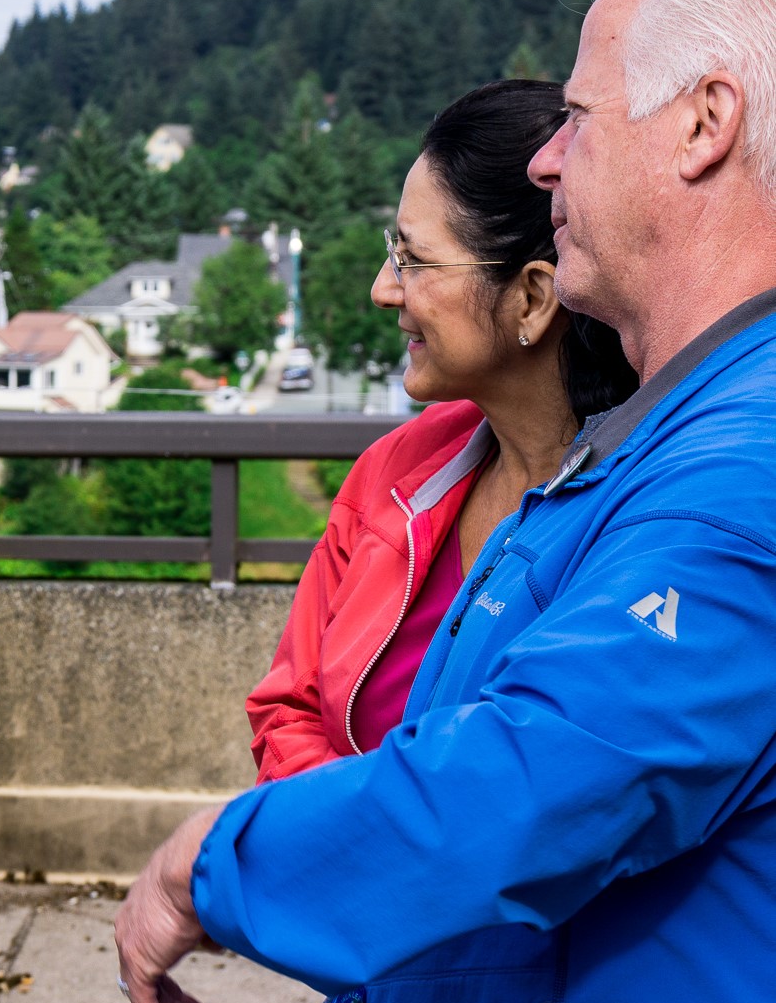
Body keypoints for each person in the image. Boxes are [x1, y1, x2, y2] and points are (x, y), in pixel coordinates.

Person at [114, 0, 776, 1003]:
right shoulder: (646, 453)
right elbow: (507, 943)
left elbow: (538, 788)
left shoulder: (740, 470)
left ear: (706, 122)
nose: (547, 157)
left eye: (577, 115)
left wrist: (213, 867)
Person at [248, 80, 635, 783]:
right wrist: (343, 845)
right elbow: (288, 706)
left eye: (413, 260)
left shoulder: (638, 514)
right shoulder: (395, 469)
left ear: (531, 296)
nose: (381, 287)